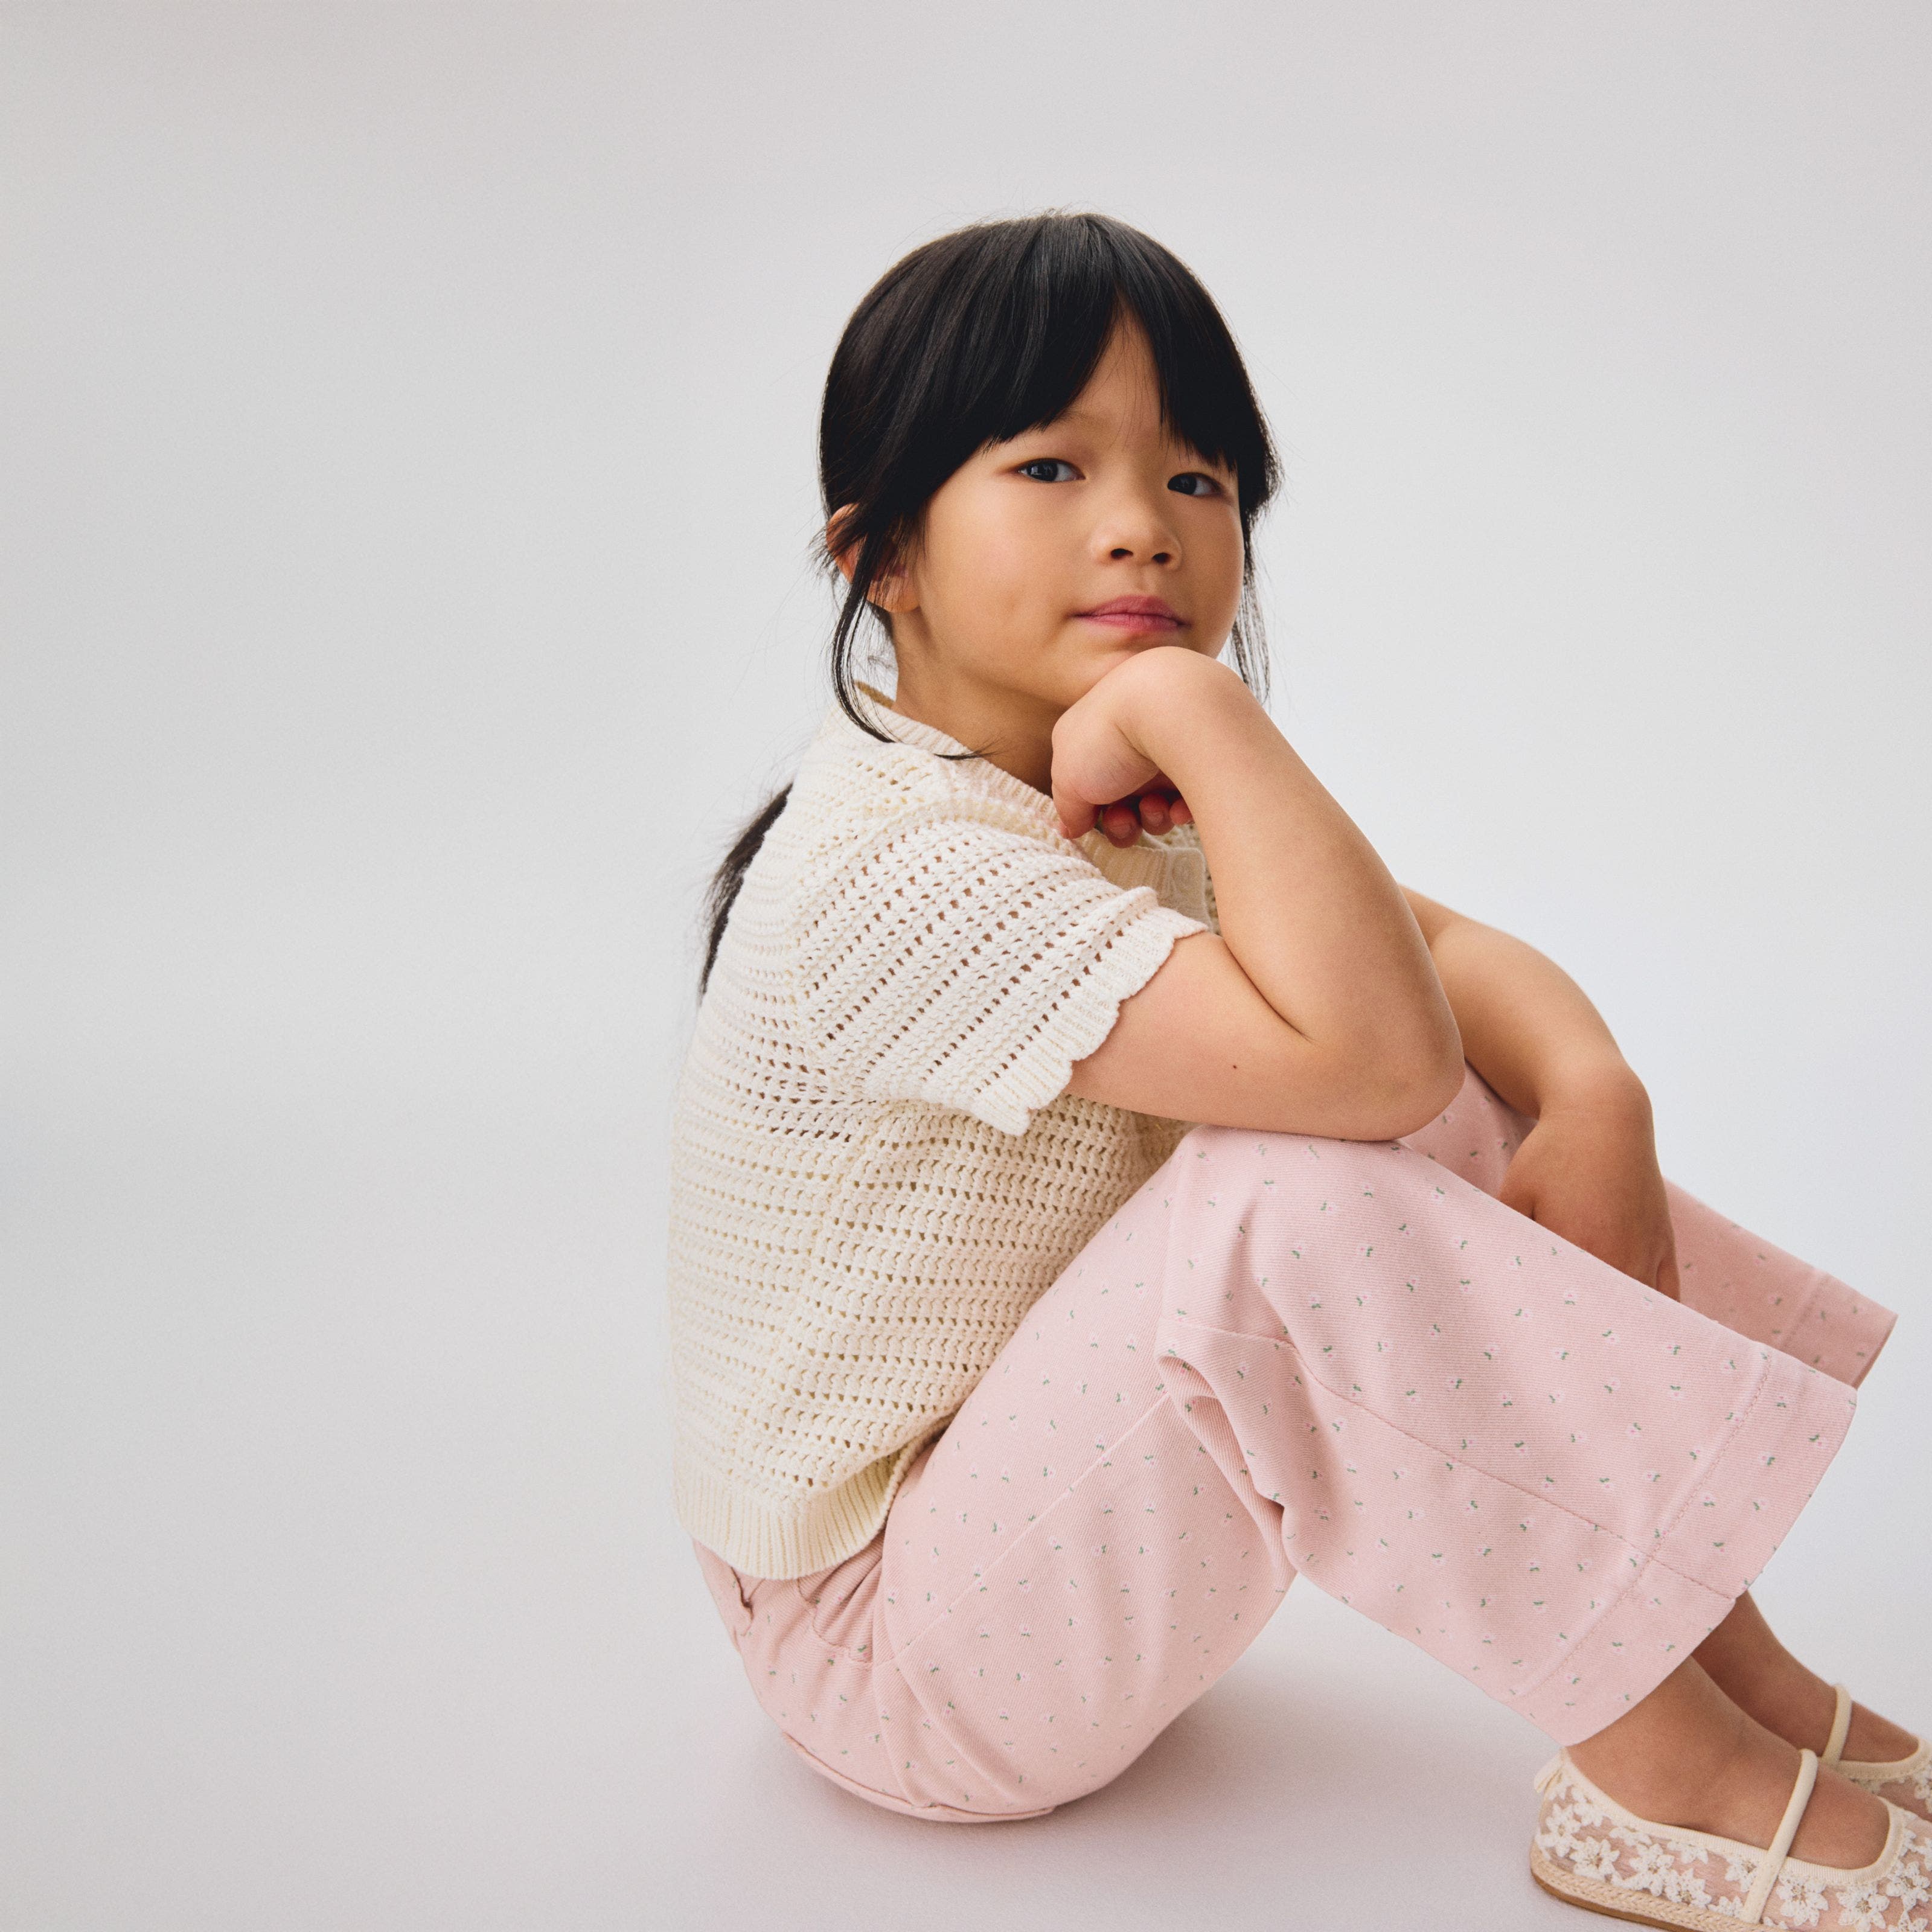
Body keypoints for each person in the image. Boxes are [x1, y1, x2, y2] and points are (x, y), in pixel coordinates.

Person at [665, 211, 1929, 1927]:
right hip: (893, 1659)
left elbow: (1435, 968)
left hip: (1044, 1528)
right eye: (1052, 466)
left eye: (1197, 478)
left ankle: (1718, 1654)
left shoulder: (1102, 806)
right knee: (1301, 1176)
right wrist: (1205, 708)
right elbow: (1377, 1061)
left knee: (1421, 1078)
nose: (1143, 524)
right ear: (880, 555)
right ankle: (1664, 1770)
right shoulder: (897, 871)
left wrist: (1595, 1099)